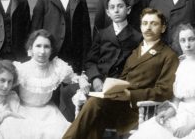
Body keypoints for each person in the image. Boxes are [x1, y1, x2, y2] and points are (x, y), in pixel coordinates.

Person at [63, 8, 179, 139]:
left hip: (140, 110)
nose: (148, 27)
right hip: (120, 106)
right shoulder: (136, 51)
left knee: (95, 107)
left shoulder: (168, 55)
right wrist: (113, 90)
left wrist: (131, 95)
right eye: (145, 23)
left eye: (154, 23)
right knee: (95, 105)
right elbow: (123, 79)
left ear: (163, 28)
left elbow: (165, 91)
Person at [0, 29, 90, 139]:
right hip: (23, 111)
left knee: (59, 133)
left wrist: (82, 79)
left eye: (46, 47)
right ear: (31, 48)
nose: (42, 51)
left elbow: (74, 78)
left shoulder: (57, 68)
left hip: (48, 112)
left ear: (51, 50)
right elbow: (1, 83)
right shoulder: (21, 69)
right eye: (38, 46)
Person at [30, 0, 92, 120]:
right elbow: (34, 34)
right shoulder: (43, 1)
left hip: (74, 61)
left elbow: (86, 36)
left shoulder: (80, 0)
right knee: (50, 102)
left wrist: (84, 66)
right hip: (50, 60)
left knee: (71, 106)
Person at [85, 0, 142, 92]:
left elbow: (138, 67)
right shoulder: (101, 34)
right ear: (108, 13)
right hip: (100, 82)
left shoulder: (137, 37)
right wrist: (95, 78)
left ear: (128, 10)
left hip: (122, 84)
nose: (116, 10)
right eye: (112, 7)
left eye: (120, 6)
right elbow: (90, 61)